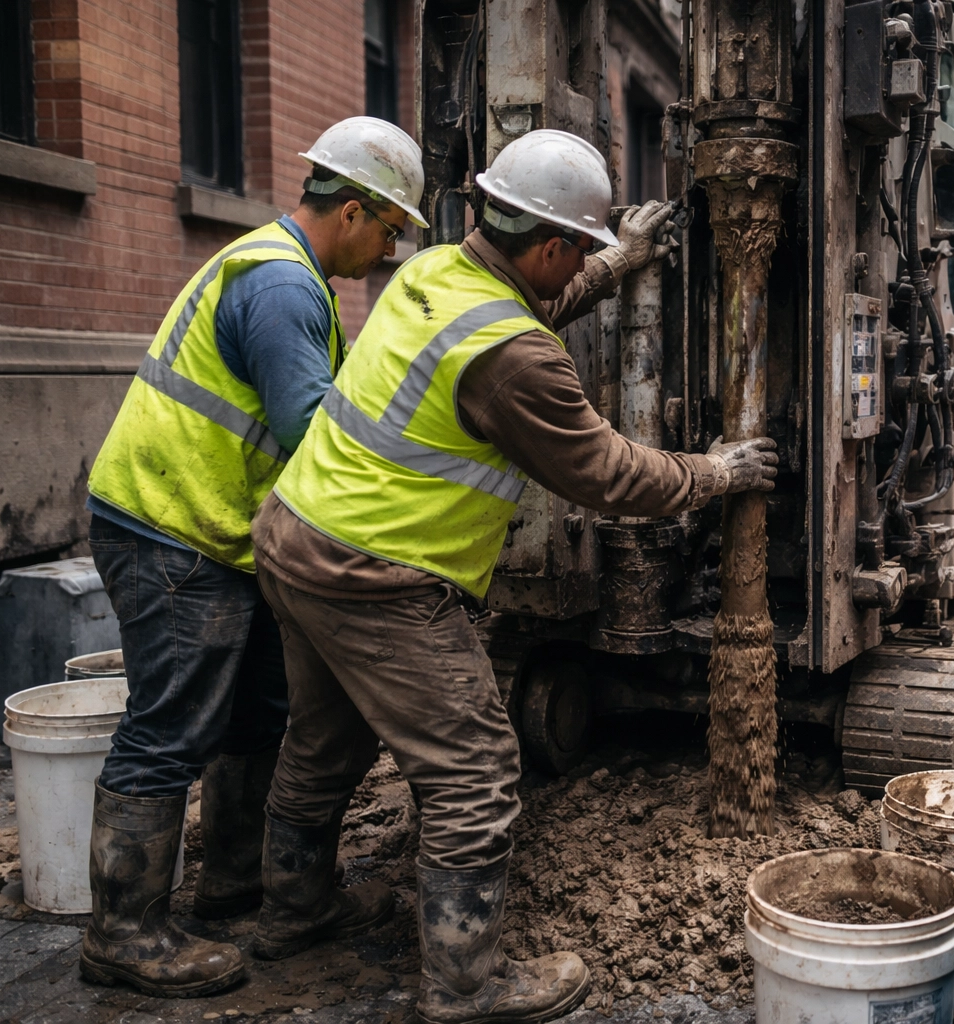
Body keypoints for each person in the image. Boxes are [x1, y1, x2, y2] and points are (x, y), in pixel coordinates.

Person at [246, 128, 778, 1024]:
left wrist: (618, 265)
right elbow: (609, 475)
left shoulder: (430, 276)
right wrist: (721, 472)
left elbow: (528, 300)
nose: (582, 262)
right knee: (474, 771)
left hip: (294, 537)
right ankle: (466, 986)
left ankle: (292, 912)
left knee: (323, 740)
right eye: (583, 247)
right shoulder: (516, 359)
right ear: (557, 242)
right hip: (375, 573)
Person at [80, 117, 426, 997]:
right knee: (171, 729)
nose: (387, 251)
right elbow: (312, 433)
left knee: (256, 712)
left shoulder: (288, 271)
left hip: (217, 532)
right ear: (351, 210)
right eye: (389, 230)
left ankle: (236, 884)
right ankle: (124, 933)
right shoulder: (279, 287)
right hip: (171, 527)